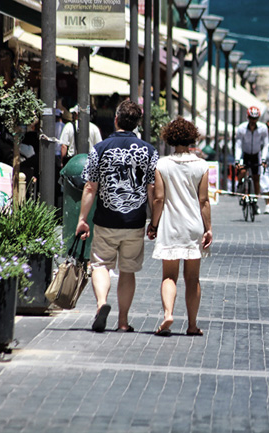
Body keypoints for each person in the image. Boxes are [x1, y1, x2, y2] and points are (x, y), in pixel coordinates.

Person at [77, 100, 159, 332]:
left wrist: (82, 219)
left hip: (106, 220)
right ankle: (123, 322)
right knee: (127, 270)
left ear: (116, 119)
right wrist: (154, 221)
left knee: (100, 264)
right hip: (134, 221)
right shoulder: (149, 151)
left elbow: (90, 187)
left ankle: (102, 304)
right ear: (136, 124)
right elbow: (153, 190)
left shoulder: (99, 148)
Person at [147, 117, 212, 337]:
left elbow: (158, 199)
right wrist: (208, 228)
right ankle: (192, 325)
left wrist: (153, 224)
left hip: (170, 225)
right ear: (191, 137)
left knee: (169, 276)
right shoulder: (201, 166)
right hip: (194, 225)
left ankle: (168, 314)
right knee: (192, 278)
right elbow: (203, 201)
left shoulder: (162, 164)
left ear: (170, 138)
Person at [234, 106, 268, 212]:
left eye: (255, 118)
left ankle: (255, 201)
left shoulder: (263, 128)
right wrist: (237, 160)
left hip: (256, 154)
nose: (253, 121)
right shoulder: (241, 128)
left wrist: (263, 159)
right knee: (242, 171)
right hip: (245, 154)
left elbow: (266, 144)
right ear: (247, 117)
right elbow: (238, 145)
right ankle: (240, 185)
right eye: (251, 118)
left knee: (256, 179)